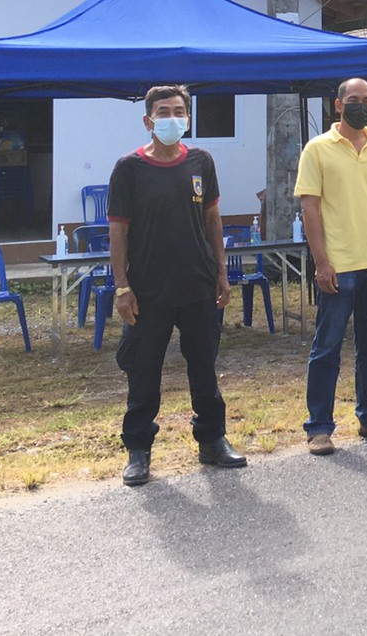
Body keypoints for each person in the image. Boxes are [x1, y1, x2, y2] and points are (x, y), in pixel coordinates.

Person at [109, 84, 246, 487]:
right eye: (164, 112)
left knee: (204, 366)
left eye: (179, 111)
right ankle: (138, 450)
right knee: (143, 371)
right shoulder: (129, 168)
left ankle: (212, 440)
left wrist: (222, 273)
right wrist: (122, 287)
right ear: (148, 120)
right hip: (148, 290)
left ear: (188, 118)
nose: (173, 118)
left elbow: (213, 222)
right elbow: (117, 233)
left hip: (199, 285)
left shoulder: (202, 161)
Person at [297, 78, 367, 454]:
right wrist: (322, 261)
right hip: (339, 266)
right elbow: (309, 208)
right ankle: (319, 427)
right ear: (338, 105)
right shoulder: (317, 149)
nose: (361, 106)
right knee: (327, 347)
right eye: (353, 100)